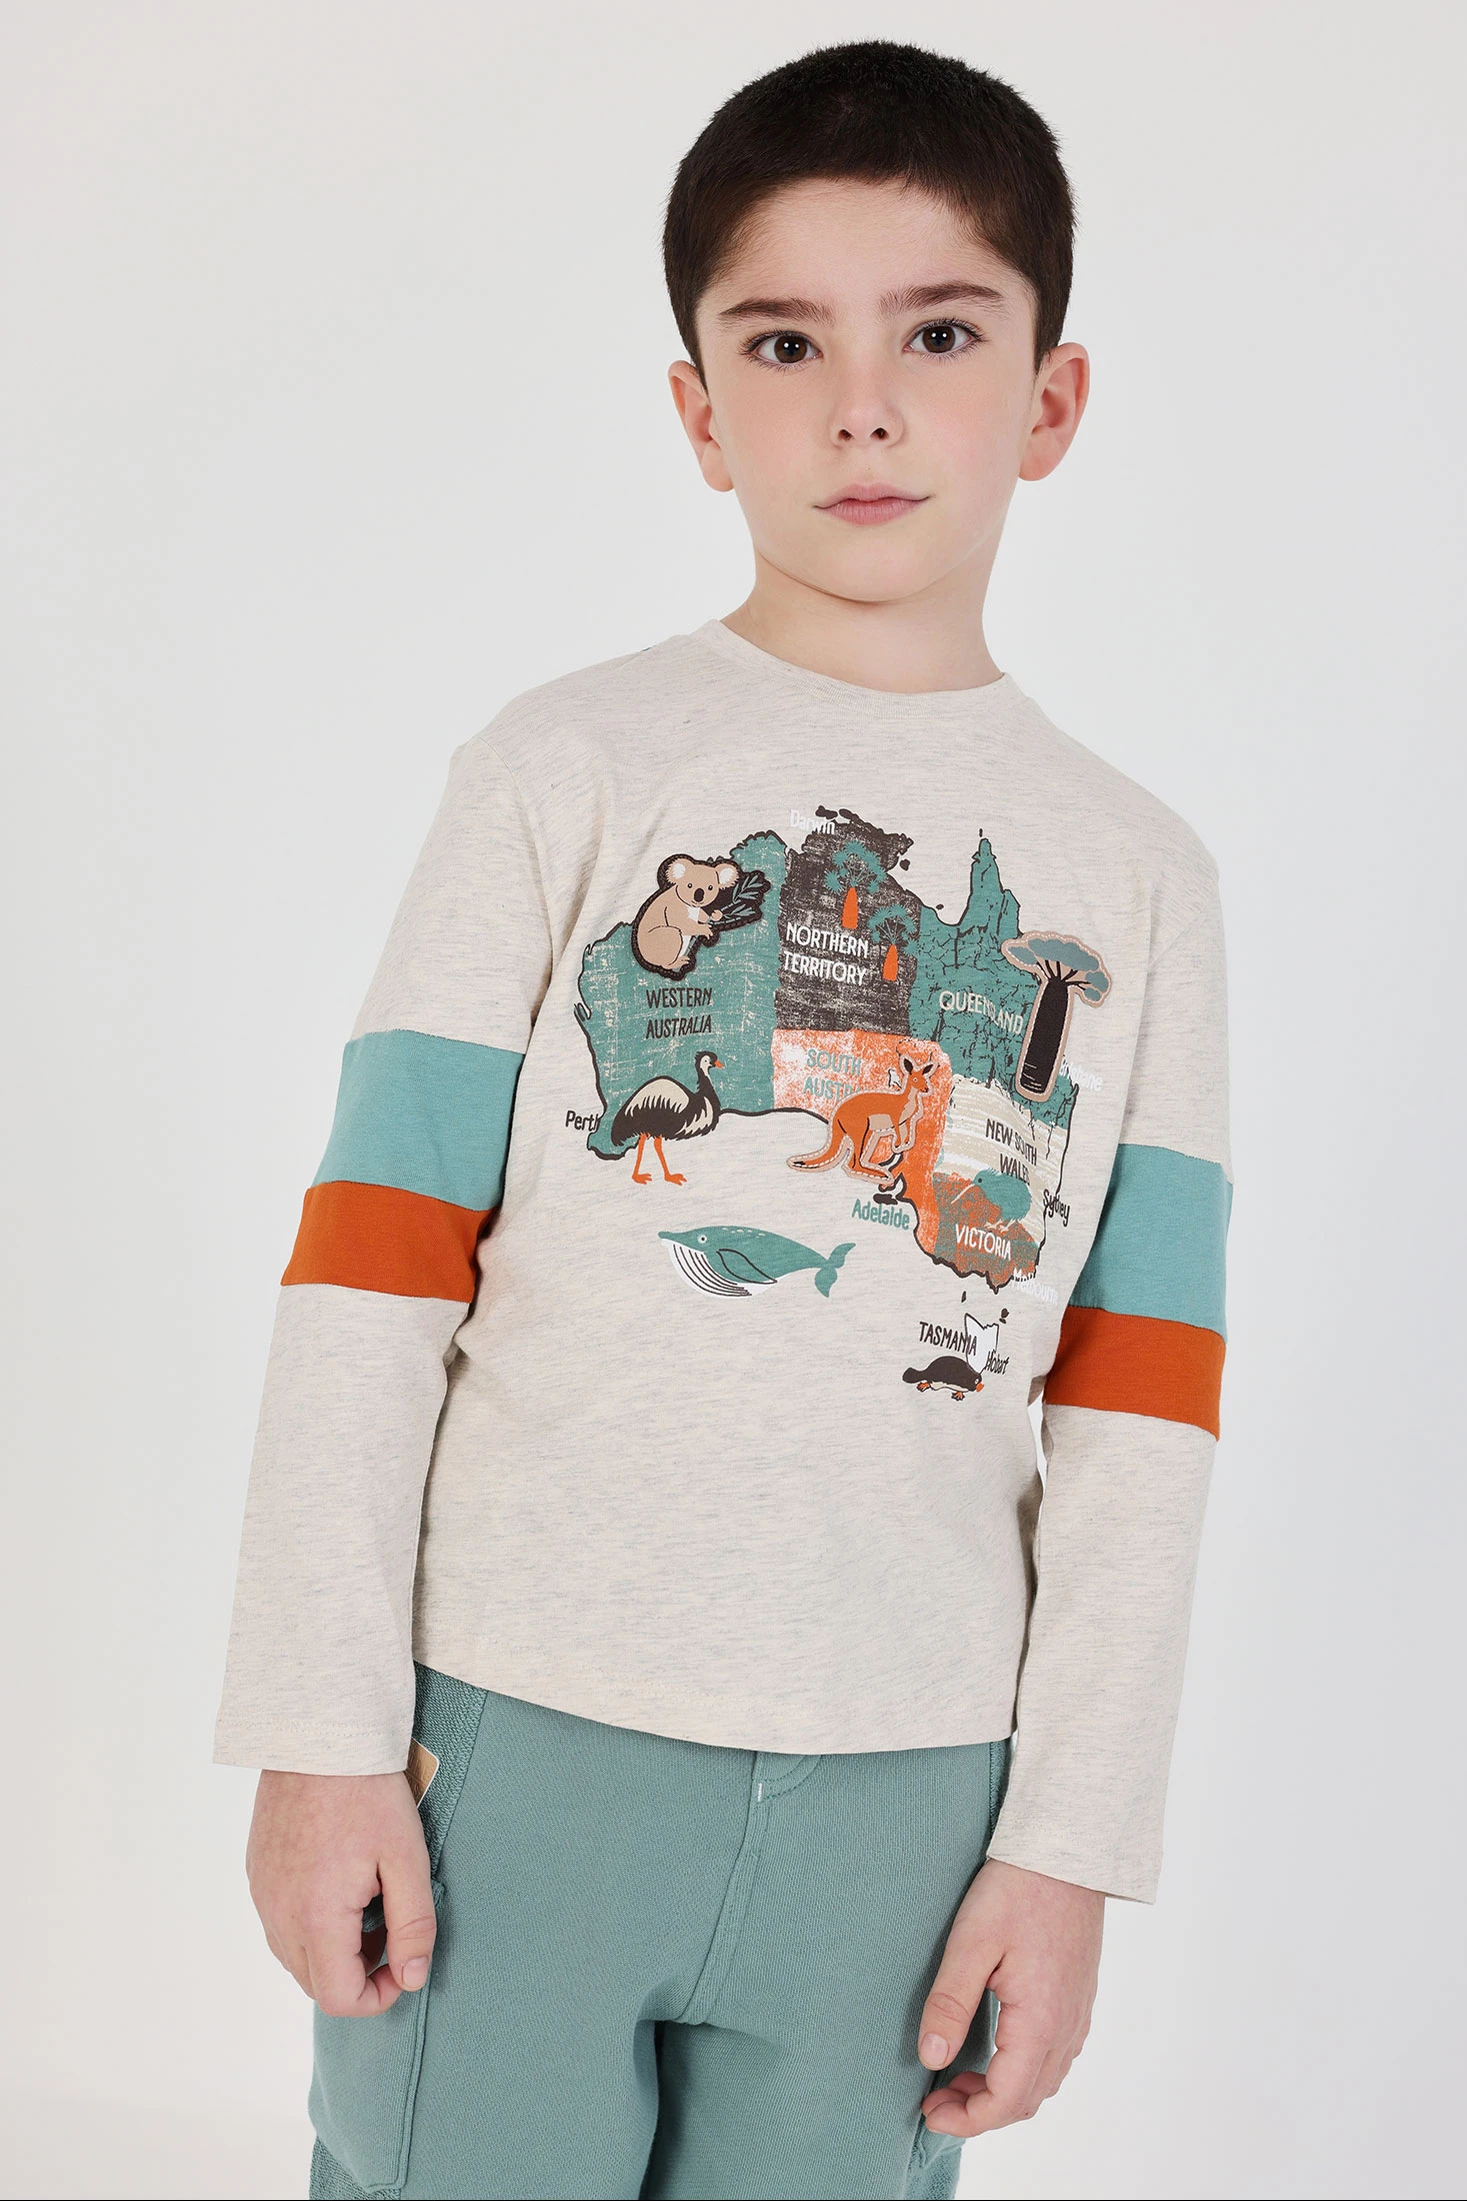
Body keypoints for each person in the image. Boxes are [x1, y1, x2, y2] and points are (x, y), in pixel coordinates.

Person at [216, 39, 1232, 2201]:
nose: (861, 407)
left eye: (935, 334)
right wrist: (318, 1733)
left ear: (1049, 397)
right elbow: (370, 1273)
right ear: (697, 411)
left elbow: (1141, 1405)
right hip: (507, 1739)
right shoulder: (562, 767)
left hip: (910, 1796)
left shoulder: (1140, 879)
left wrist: (1066, 1849)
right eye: (784, 343)